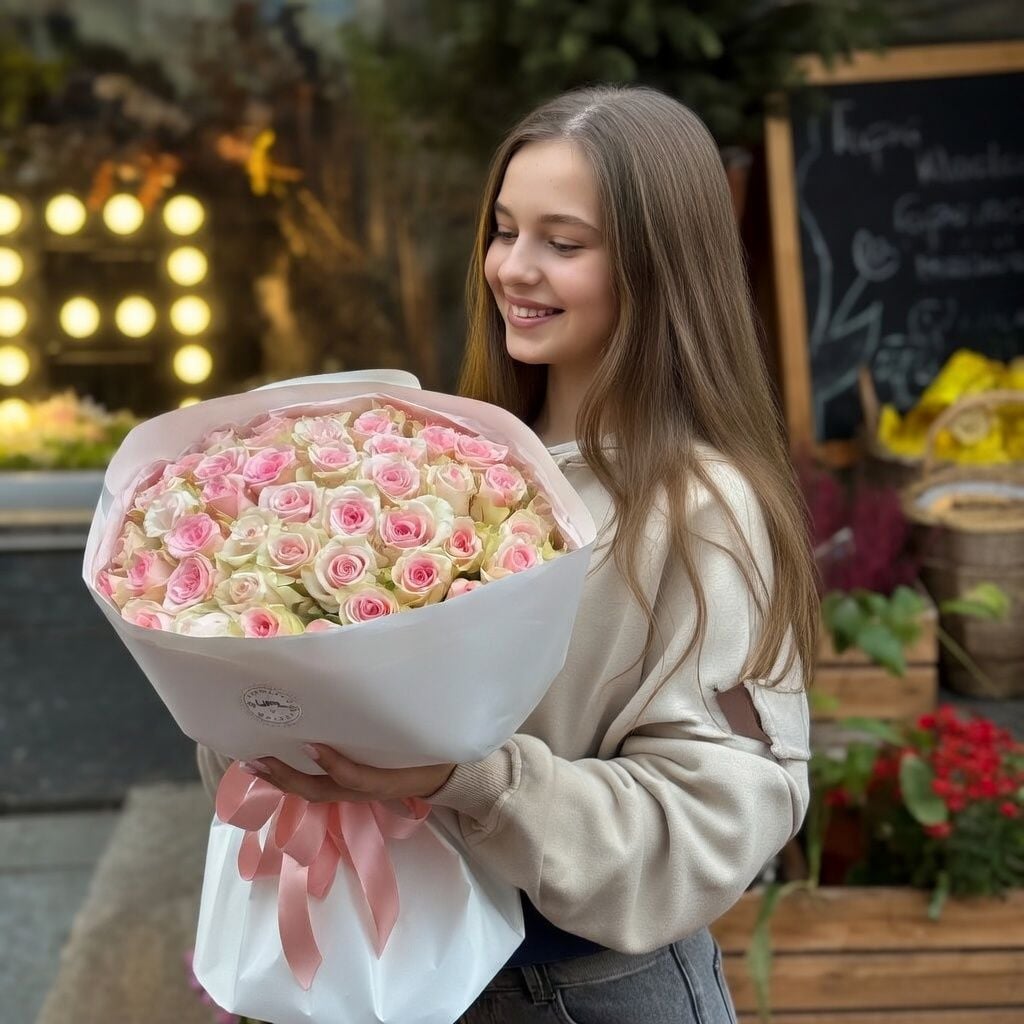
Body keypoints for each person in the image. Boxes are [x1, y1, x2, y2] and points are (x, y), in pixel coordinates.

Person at [198, 84, 817, 1023]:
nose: (514, 269)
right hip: (385, 963)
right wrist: (249, 684)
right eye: (504, 230)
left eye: (563, 243)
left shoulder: (700, 510)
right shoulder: (439, 469)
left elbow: (717, 820)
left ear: (660, 267)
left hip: (574, 991)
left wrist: (475, 780)